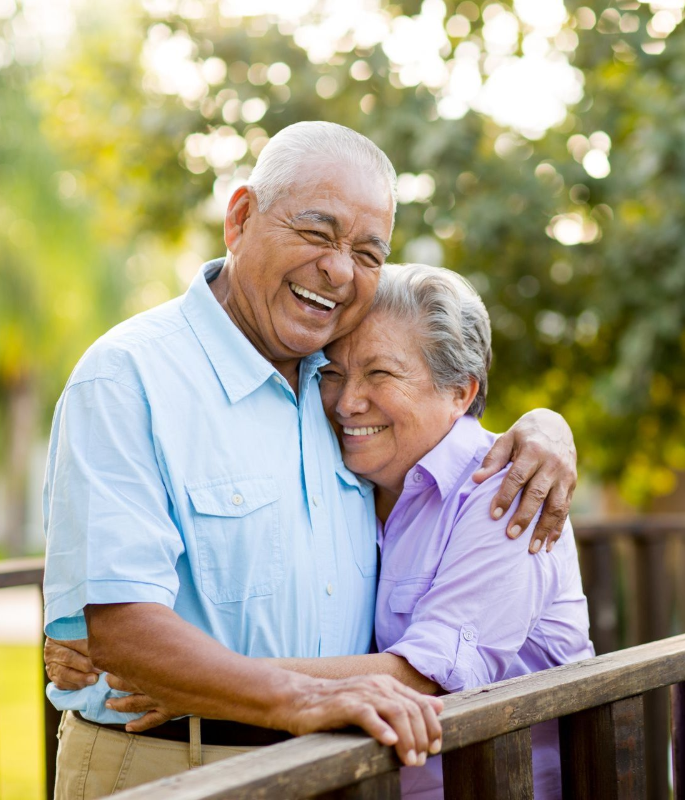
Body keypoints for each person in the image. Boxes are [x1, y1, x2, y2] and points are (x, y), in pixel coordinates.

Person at [43, 122, 578, 798]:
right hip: (172, 767)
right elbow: (122, 634)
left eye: (367, 251)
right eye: (318, 233)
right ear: (240, 218)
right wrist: (287, 696)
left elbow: (435, 415)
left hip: (339, 768)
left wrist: (545, 428)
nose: (339, 268)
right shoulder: (128, 377)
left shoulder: (334, 389)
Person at [100, 264, 594, 798]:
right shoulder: (350, 480)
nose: (346, 402)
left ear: (460, 391)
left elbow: (421, 675)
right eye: (332, 374)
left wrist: (200, 681)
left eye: (380, 375)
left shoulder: (507, 491)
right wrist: (125, 642)